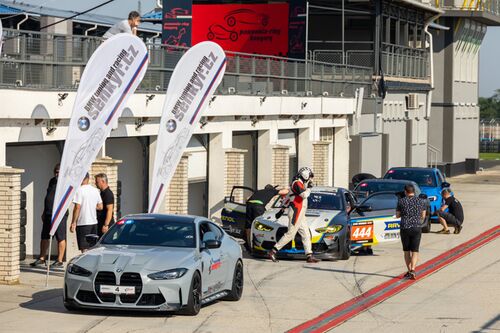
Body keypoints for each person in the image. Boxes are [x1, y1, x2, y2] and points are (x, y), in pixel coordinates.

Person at [268, 167, 320, 263]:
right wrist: (309, 188)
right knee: (290, 234)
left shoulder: (298, 183)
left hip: (300, 212)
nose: (310, 179)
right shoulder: (297, 183)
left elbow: (288, 197)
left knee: (306, 233)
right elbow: (304, 195)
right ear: (305, 175)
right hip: (297, 211)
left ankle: (309, 255)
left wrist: (282, 209)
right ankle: (273, 251)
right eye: (309, 177)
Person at [30, 164, 68, 268]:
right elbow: (48, 196)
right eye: (56, 171)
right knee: (44, 236)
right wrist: (43, 211)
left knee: (60, 237)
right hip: (48, 213)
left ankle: (59, 260)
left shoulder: (66, 182)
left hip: (59, 214)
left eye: (59, 172)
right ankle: (42, 258)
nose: (57, 173)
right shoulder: (52, 181)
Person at [396, 184, 426, 280]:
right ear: (414, 191)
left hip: (405, 227)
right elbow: (423, 215)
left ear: (405, 191)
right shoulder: (421, 201)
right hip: (416, 227)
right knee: (415, 251)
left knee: (406, 251)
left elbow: (397, 215)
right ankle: (413, 269)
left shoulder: (401, 201)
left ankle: (409, 271)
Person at [245, 184, 288, 250]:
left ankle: (249, 245)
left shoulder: (259, 191)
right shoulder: (271, 191)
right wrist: (288, 188)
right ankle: (258, 244)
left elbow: (247, 198)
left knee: (248, 225)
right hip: (258, 206)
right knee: (260, 224)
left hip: (249, 204)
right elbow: (285, 192)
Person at [70, 173, 103, 253]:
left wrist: (73, 222)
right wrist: (91, 206)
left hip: (83, 222)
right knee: (92, 247)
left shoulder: (79, 190)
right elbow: (100, 207)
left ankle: (85, 264)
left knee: (84, 247)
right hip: (93, 222)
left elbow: (77, 207)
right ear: (88, 178)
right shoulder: (95, 190)